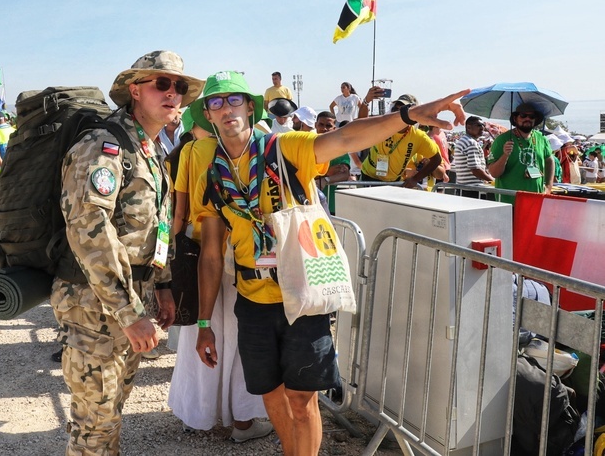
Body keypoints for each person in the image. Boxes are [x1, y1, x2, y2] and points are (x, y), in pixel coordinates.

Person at [189, 70, 467, 456]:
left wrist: (407, 117)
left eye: (234, 99)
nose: (225, 109)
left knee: (302, 399)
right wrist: (204, 324)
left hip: (302, 292)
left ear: (250, 108)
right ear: (208, 114)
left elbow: (346, 138)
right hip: (253, 300)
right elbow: (211, 254)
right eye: (216, 103)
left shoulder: (283, 148)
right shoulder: (213, 174)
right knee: (270, 395)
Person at [51, 50, 203, 456]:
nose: (174, 93)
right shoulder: (104, 146)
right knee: (95, 424)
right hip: (94, 304)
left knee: (111, 409)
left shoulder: (149, 151)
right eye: (163, 83)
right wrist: (131, 313)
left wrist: (164, 288)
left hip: (131, 299)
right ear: (135, 90)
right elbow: (89, 231)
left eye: (180, 86)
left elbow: (155, 226)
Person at [167, 108, 272, 442]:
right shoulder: (248, 146)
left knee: (201, 334)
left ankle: (197, 415)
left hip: (201, 252)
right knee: (243, 339)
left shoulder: (190, 151)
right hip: (245, 252)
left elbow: (180, 210)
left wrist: (171, 254)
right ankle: (244, 421)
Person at [360, 94, 442, 189]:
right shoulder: (382, 124)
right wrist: (366, 101)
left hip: (393, 182)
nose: (398, 114)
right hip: (369, 177)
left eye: (403, 110)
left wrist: (415, 179)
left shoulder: (418, 136)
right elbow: (361, 123)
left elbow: (436, 159)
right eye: (395, 109)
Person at [487, 103, 554, 204]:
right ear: (515, 118)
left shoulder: (542, 138)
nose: (527, 118)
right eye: (523, 115)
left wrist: (548, 186)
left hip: (536, 200)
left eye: (531, 116)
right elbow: (494, 173)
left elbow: (550, 160)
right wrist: (505, 155)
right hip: (510, 201)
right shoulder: (502, 140)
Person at [314, 111, 350, 214]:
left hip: (330, 206)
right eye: (321, 124)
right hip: (309, 205)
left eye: (328, 126)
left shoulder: (340, 150)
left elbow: (345, 174)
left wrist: (326, 179)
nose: (324, 128)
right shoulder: (306, 146)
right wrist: (327, 172)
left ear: (334, 128)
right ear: (315, 125)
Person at [452, 116, 495, 197]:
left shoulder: (464, 140)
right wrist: (492, 180)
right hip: (472, 190)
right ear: (468, 127)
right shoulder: (471, 143)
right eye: (479, 125)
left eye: (483, 125)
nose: (482, 127)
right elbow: (475, 169)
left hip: (464, 188)